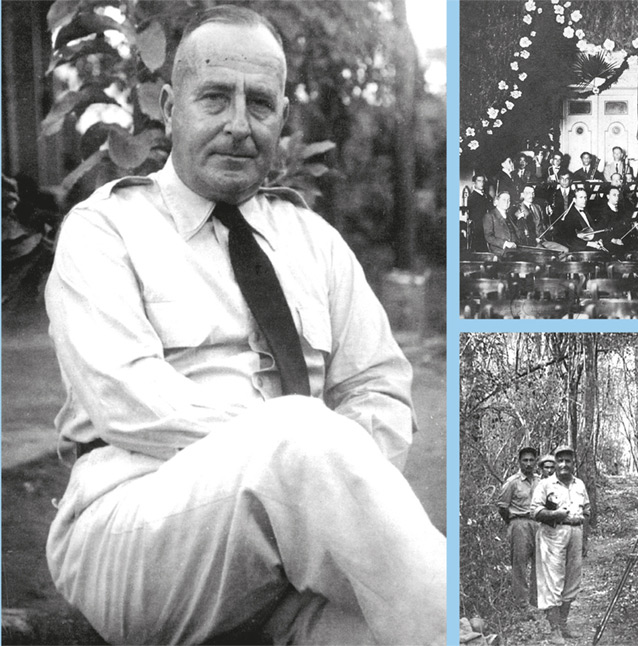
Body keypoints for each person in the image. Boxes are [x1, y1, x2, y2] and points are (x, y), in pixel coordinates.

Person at [43, 7, 444, 645]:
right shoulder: (106, 230)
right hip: (134, 526)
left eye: (260, 103)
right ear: (170, 106)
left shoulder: (314, 241)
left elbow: (380, 388)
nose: (238, 124)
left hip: (296, 537)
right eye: (214, 98)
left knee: (382, 631)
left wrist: (327, 482)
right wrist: (295, 451)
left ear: (283, 116)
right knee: (302, 433)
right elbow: (128, 403)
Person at [532, 445, 590, 645]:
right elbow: (535, 512)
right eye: (560, 460)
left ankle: (564, 624)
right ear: (555, 463)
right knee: (553, 581)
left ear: (574, 463)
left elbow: (587, 512)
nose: (564, 464)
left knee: (572, 580)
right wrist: (555, 515)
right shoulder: (546, 485)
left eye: (568, 460)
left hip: (576, 532)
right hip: (553, 533)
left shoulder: (579, 485)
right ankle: (554, 629)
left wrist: (585, 540)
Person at [498, 446, 541, 612]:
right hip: (519, 524)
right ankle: (522, 604)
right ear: (519, 462)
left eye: (531, 460)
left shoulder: (540, 481)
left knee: (539, 564)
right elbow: (503, 507)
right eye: (525, 460)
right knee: (520, 564)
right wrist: (513, 522)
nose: (528, 464)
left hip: (538, 524)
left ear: (536, 462)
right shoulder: (512, 482)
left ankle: (536, 600)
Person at [484, 190, 519, 254]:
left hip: (513, 250)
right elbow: (488, 237)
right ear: (497, 201)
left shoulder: (509, 216)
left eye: (509, 200)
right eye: (504, 199)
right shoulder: (490, 216)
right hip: (499, 252)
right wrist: (505, 243)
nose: (507, 202)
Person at [466, 173, 492, 252]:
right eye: (479, 181)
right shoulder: (473, 197)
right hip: (479, 228)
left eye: (483, 181)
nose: (482, 183)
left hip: (485, 227)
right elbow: (476, 216)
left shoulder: (484, 195)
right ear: (474, 183)